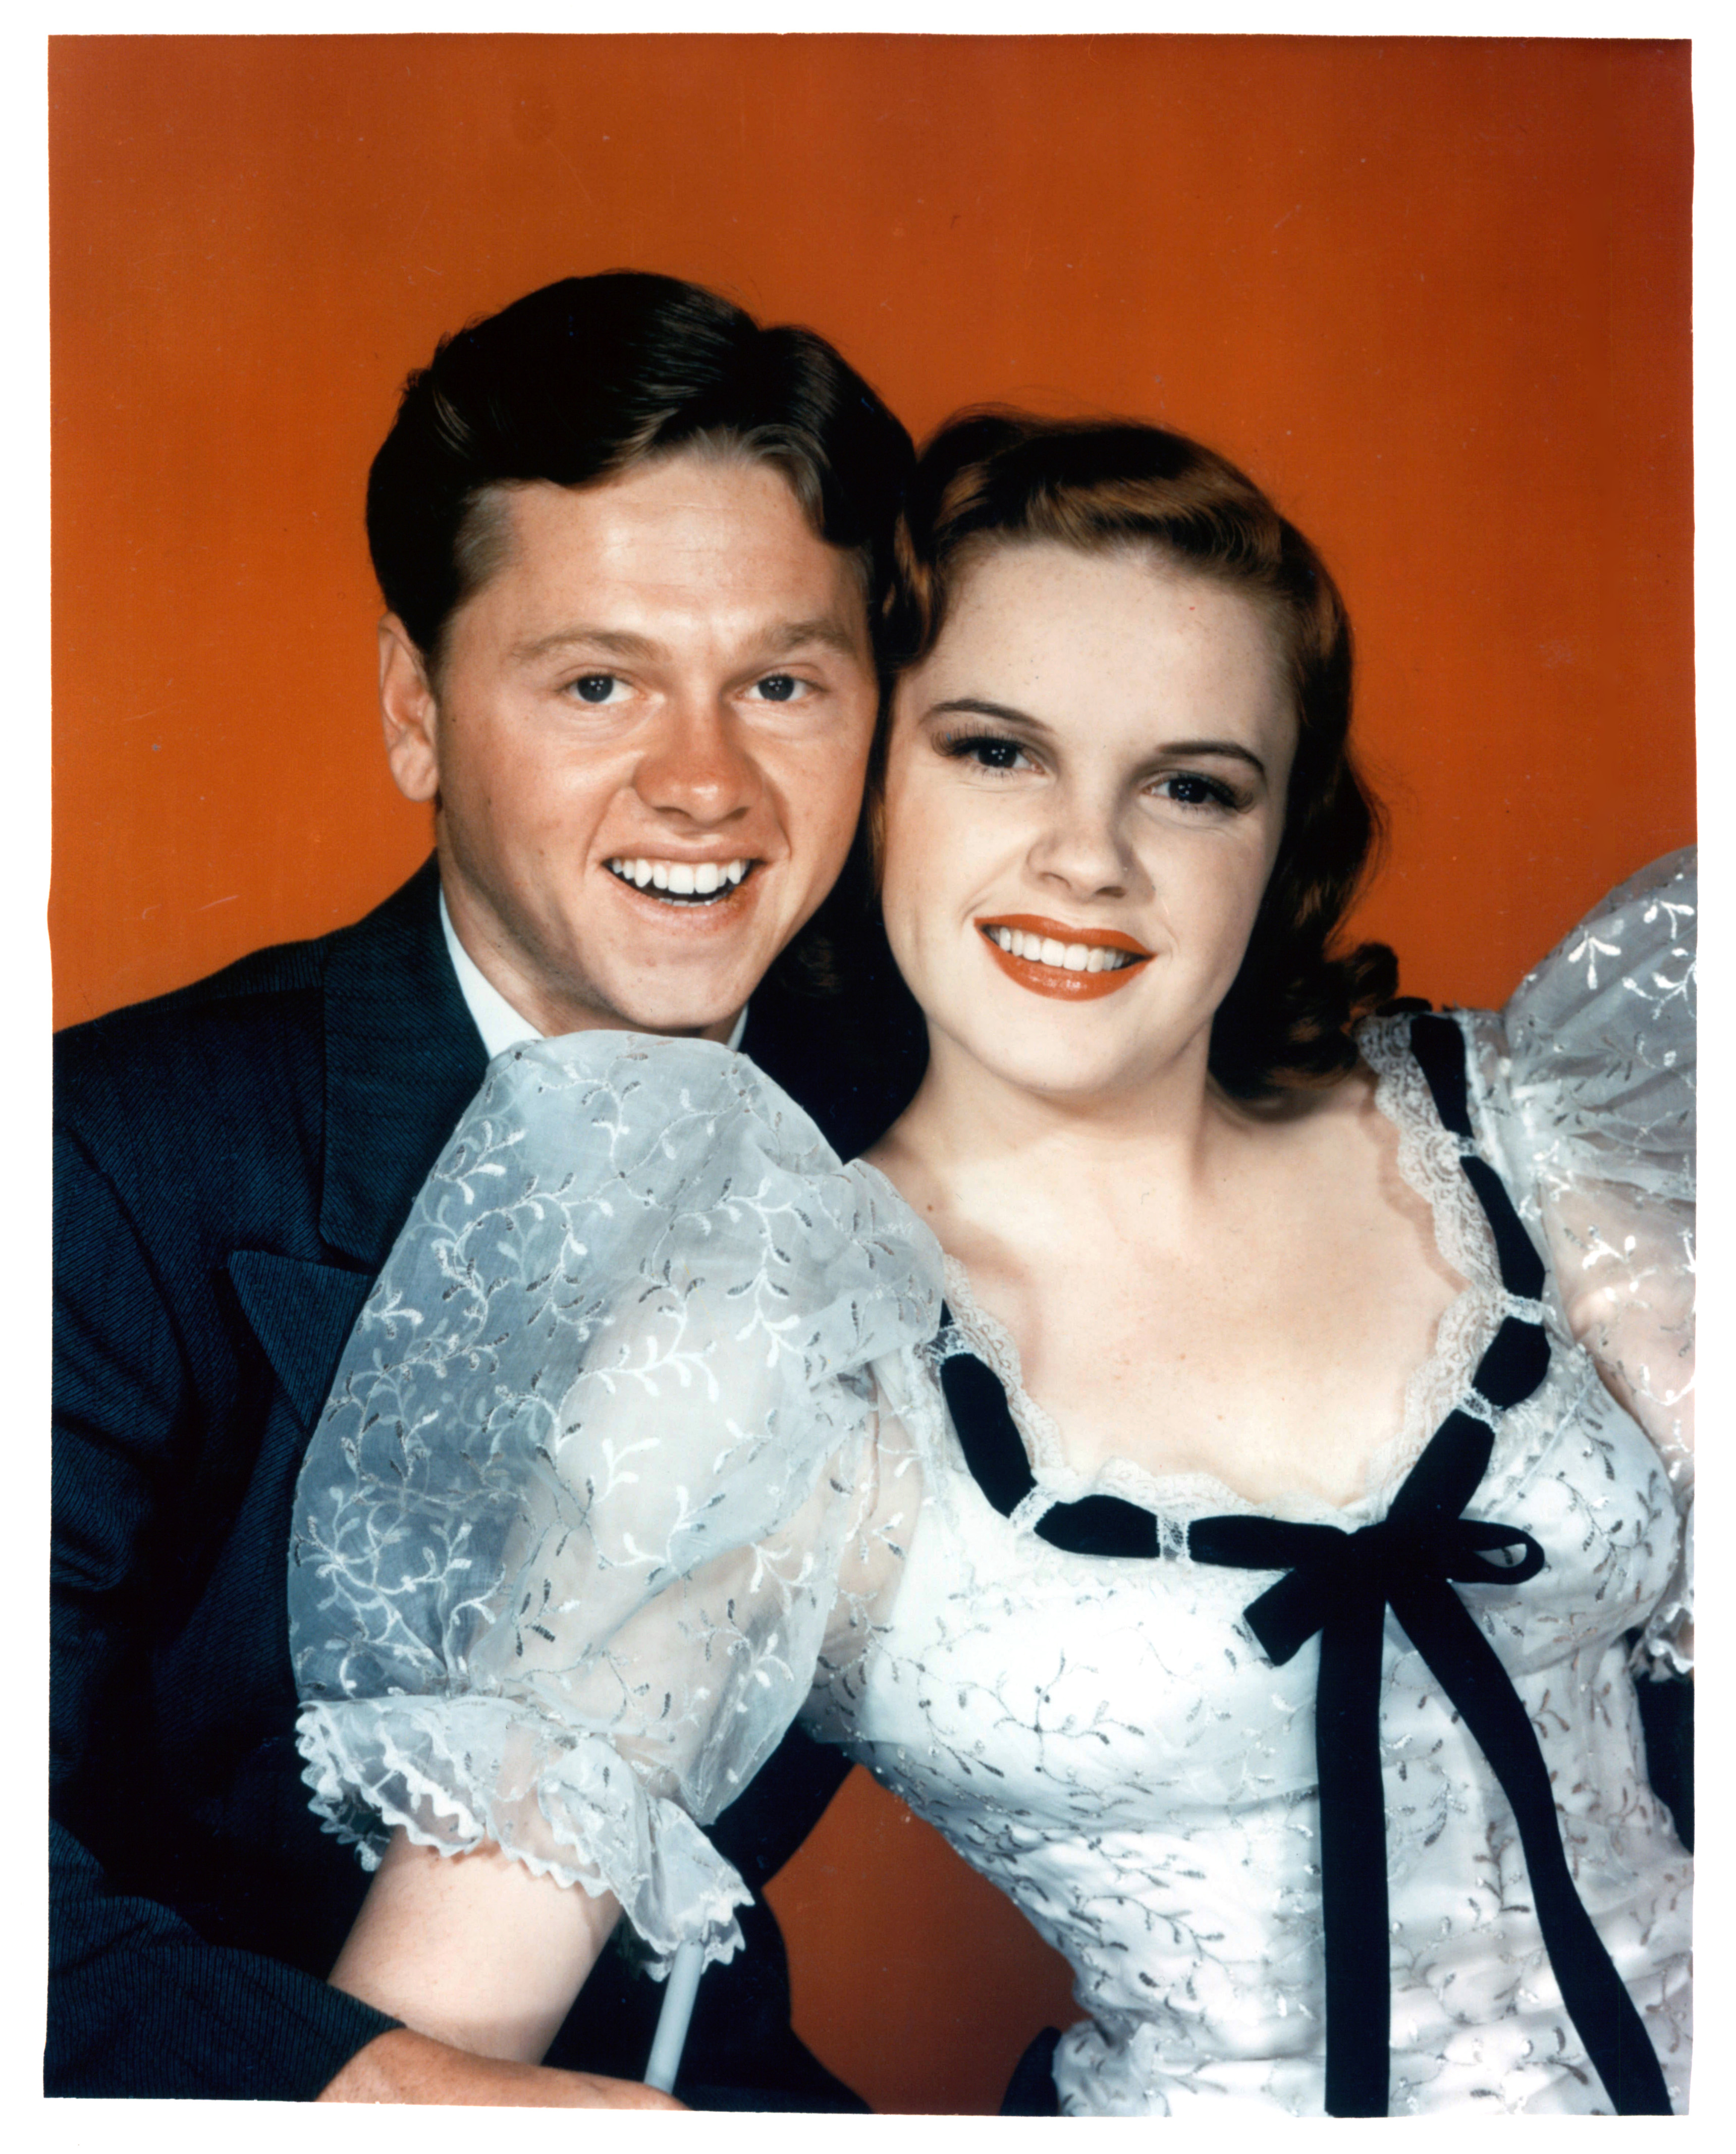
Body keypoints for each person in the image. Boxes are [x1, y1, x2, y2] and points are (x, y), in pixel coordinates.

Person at [288, 412, 1693, 2115]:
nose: (1088, 857)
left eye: (1190, 784)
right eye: (998, 752)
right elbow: (401, 2069)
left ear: (1284, 831)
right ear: (877, 781)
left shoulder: (1515, 1128)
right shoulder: (759, 1352)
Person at [49, 270, 929, 2104]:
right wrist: (384, 2097)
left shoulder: (916, 1101)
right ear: (417, 710)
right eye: (598, 682)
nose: (706, 784)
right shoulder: (102, 1163)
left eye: (780, 682)